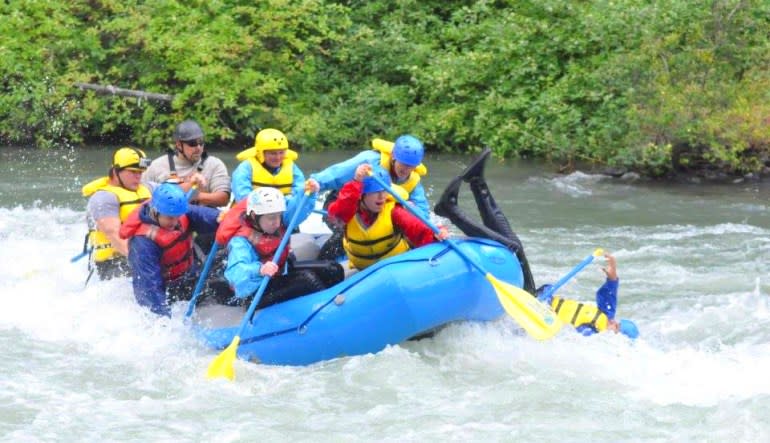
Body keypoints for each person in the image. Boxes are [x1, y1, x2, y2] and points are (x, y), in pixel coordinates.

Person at [218, 184, 344, 308]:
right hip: (256, 292)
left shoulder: (277, 221)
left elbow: (298, 209)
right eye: (272, 218)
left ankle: (336, 302)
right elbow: (235, 272)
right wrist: (259, 269)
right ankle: (326, 310)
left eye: (279, 216)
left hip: (281, 272)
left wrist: (309, 194)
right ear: (254, 216)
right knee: (306, 279)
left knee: (333, 269)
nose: (277, 222)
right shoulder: (240, 241)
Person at [119, 183, 222, 316]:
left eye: (178, 217)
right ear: (155, 212)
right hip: (168, 290)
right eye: (170, 218)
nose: (175, 222)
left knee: (221, 279)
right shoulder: (143, 243)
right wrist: (163, 320)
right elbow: (150, 288)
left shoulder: (175, 212)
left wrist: (218, 217)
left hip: (189, 277)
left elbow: (200, 214)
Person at [326, 164, 448, 270]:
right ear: (362, 195)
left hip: (395, 268)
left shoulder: (394, 211)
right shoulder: (349, 211)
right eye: (375, 192)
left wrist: (435, 234)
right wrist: (357, 181)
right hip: (362, 273)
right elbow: (337, 212)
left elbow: (419, 230)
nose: (382, 196)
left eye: (384, 190)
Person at [310, 134, 430, 218]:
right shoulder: (369, 160)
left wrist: (413, 210)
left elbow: (423, 213)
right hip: (342, 205)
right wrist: (316, 183)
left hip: (376, 215)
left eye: (411, 166)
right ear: (393, 156)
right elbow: (335, 174)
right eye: (403, 164)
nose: (406, 170)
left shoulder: (413, 180)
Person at [81, 147, 152, 282]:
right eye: (133, 172)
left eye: (141, 172)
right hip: (112, 264)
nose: (138, 176)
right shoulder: (103, 198)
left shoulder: (147, 188)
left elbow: (174, 192)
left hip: (144, 253)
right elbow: (115, 235)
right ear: (116, 171)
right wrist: (146, 263)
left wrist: (194, 182)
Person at [537, 253, 639, 339]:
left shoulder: (596, 338)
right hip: (547, 300)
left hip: (547, 319)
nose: (613, 322)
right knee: (547, 287)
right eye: (617, 322)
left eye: (616, 326)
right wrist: (612, 276)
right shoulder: (606, 316)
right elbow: (610, 294)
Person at [142, 119, 231, 208]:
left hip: (201, 218)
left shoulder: (214, 164)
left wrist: (193, 195)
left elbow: (224, 199)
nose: (198, 147)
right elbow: (142, 196)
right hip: (167, 217)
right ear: (179, 145)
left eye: (201, 142)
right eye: (192, 143)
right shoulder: (156, 166)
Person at [230, 128, 306, 204]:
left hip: (282, 209)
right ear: (261, 153)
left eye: (281, 152)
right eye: (273, 153)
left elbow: (299, 191)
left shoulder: (292, 167)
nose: (278, 157)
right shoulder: (245, 168)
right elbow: (242, 197)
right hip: (251, 212)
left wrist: (283, 202)